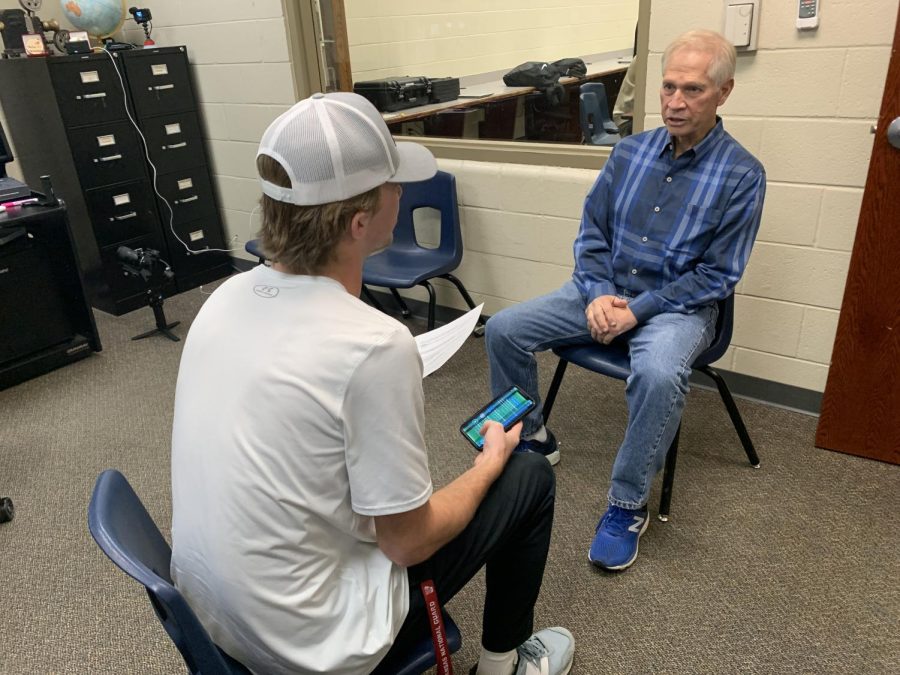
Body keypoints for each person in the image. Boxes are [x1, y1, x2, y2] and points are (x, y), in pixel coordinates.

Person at [169, 92, 574, 675]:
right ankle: (504, 664)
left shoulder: (224, 297)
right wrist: (489, 462)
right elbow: (407, 544)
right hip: (313, 646)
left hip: (207, 619)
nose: (401, 195)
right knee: (528, 475)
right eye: (392, 186)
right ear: (360, 223)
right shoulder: (374, 347)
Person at [485, 30, 766, 572]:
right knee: (503, 330)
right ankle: (534, 436)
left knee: (660, 375)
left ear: (724, 93)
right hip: (603, 290)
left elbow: (718, 274)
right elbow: (592, 233)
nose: (675, 103)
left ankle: (626, 503)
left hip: (678, 308)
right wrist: (596, 295)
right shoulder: (628, 152)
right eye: (668, 87)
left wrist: (635, 311)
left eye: (693, 90)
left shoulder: (742, 174)